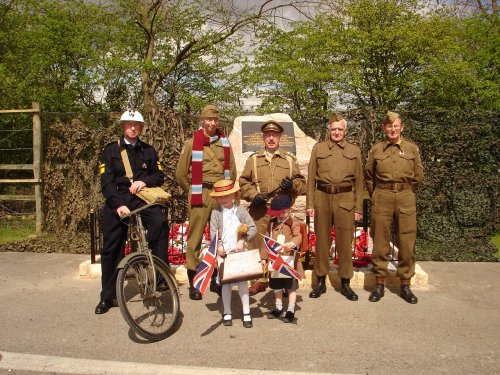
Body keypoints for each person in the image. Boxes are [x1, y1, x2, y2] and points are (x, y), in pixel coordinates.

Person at [96, 109, 168, 314]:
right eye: (129, 124)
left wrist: (143, 180)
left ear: (142, 127)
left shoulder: (149, 151)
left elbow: (159, 176)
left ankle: (160, 276)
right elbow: (106, 182)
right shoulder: (110, 151)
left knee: (160, 223)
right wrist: (118, 204)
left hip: (141, 198)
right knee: (111, 249)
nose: (133, 128)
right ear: (123, 126)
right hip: (118, 200)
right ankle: (107, 296)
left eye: (136, 125)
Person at [175, 105, 236, 300]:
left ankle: (217, 279)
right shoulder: (192, 143)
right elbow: (181, 174)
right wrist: (192, 191)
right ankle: (194, 282)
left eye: (215, 120)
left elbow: (232, 172)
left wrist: (227, 194)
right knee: (195, 238)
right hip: (199, 194)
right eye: (209, 119)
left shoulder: (225, 144)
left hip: (219, 194)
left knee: (220, 238)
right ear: (202, 120)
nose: (212, 123)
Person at [239, 119, 306, 296]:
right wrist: (253, 195)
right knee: (257, 243)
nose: (271, 138)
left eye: (274, 135)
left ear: (280, 137)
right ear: (263, 137)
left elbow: (302, 183)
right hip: (260, 209)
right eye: (268, 135)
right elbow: (243, 182)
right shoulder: (254, 159)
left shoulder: (290, 160)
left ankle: (283, 278)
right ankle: (259, 280)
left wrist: (291, 185)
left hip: (281, 211)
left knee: (282, 244)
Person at [365, 111, 424, 304]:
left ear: (402, 127)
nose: (392, 129)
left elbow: (418, 176)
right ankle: (379, 284)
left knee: (407, 241)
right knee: (380, 241)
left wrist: (405, 190)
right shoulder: (377, 149)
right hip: (382, 195)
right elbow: (368, 175)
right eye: (389, 126)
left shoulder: (412, 148)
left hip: (406, 195)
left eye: (396, 126)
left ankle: (405, 285)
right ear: (384, 128)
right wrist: (376, 194)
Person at [306, 112, 364, 301]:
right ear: (329, 130)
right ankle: (320, 281)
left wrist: (358, 208)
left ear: (345, 131)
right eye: (333, 129)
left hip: (345, 199)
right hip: (322, 197)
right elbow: (311, 179)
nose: (337, 132)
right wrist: (310, 204)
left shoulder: (354, 150)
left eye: (340, 129)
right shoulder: (319, 148)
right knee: (322, 241)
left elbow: (359, 182)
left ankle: (345, 282)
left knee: (344, 243)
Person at [209, 180, 257, 328]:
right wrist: (219, 245)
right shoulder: (216, 213)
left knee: (242, 282)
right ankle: (227, 312)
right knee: (226, 284)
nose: (224, 199)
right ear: (217, 198)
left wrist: (242, 240)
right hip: (225, 254)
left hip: (239, 251)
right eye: (221, 197)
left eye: (227, 196)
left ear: (234, 195)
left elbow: (252, 227)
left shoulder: (241, 211)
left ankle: (246, 312)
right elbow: (213, 232)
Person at [260, 195, 302, 323]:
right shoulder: (271, 224)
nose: (281, 215)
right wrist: (264, 258)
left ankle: (290, 310)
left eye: (283, 212)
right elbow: (265, 242)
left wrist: (292, 243)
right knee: (276, 286)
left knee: (290, 287)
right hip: (275, 260)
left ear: (289, 209)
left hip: (288, 261)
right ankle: (278, 308)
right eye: (278, 213)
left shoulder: (293, 223)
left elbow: (298, 236)